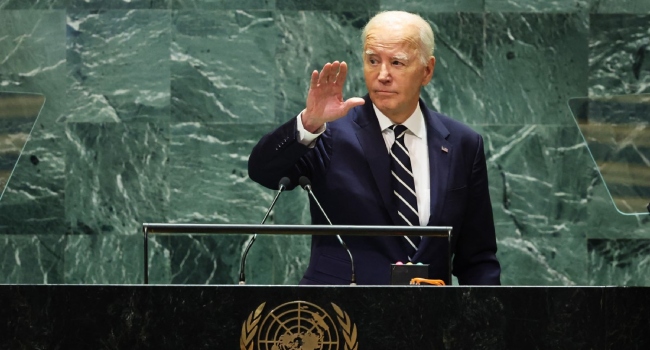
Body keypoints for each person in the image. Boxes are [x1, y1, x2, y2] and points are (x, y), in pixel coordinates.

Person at [248, 11, 500, 285]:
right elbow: (263, 171)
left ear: (427, 70)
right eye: (372, 61)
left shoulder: (463, 143)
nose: (382, 75)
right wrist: (309, 122)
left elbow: (477, 259)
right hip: (339, 316)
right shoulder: (328, 132)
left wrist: (484, 323)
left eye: (397, 62)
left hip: (431, 318)